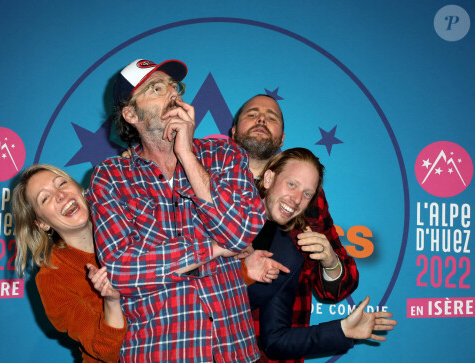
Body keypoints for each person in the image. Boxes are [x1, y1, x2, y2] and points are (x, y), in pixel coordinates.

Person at [88, 58, 277, 362]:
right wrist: (212, 250)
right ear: (131, 114)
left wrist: (187, 155)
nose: (173, 94)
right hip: (159, 351)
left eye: (175, 87)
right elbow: (122, 270)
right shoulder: (110, 177)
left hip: (234, 350)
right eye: (157, 88)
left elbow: (241, 233)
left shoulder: (225, 154)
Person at [231, 94, 360, 363]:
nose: (262, 119)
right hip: (201, 346)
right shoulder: (202, 184)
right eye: (252, 114)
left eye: (272, 117)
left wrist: (331, 262)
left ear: (282, 139)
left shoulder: (309, 201)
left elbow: (335, 289)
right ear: (233, 131)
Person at [246, 148, 396, 361]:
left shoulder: (287, 255)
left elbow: (276, 340)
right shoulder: (211, 211)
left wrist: (343, 329)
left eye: (307, 193)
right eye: (292, 184)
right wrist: (241, 271)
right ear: (269, 178)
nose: (297, 199)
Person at [13, 164, 126, 363]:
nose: (60, 195)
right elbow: (105, 351)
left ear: (80, 189)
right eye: (45, 198)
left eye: (62, 183)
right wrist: (111, 302)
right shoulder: (51, 278)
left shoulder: (130, 226)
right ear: (41, 223)